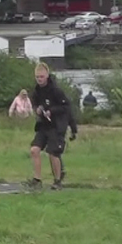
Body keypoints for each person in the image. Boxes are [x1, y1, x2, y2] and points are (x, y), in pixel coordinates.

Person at [29, 62, 76, 191]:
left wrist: (52, 111)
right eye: (37, 77)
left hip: (57, 125)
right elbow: (36, 104)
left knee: (53, 153)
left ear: (47, 76)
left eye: (42, 77)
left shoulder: (56, 90)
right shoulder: (36, 91)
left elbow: (66, 107)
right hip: (44, 125)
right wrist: (38, 109)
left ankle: (57, 180)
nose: (39, 79)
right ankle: (37, 179)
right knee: (34, 150)